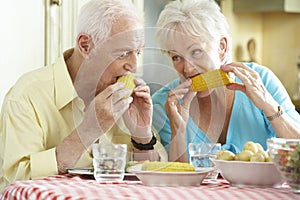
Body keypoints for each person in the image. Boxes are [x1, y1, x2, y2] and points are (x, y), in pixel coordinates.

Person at [0, 0, 167, 191]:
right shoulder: (27, 96)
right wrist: (87, 131)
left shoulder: (128, 100)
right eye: (123, 53)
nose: (134, 66)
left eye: (137, 52)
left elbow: (157, 181)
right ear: (85, 46)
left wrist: (142, 137)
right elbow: (16, 186)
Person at [152, 0, 300, 162]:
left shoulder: (262, 80)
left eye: (196, 52)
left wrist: (269, 106)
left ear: (222, 47)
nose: (187, 69)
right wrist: (178, 131)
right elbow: (177, 180)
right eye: (176, 57)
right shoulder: (163, 105)